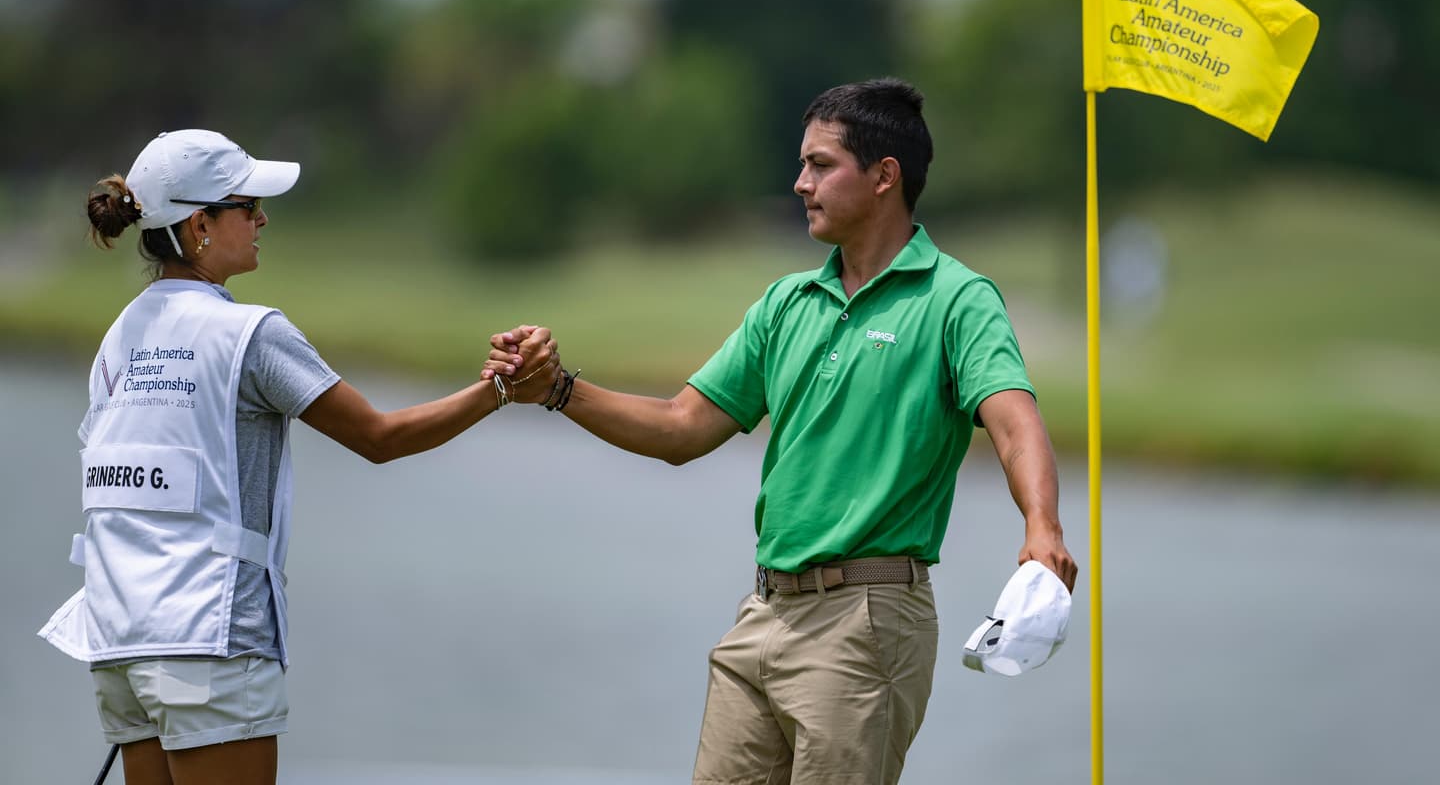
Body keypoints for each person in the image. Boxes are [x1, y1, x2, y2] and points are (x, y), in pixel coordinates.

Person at [486, 78, 1078, 785]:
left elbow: (1014, 422)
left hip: (866, 620)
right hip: (764, 613)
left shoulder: (957, 299)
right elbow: (681, 426)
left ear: (885, 176)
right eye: (803, 165)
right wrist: (558, 390)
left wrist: (1042, 526)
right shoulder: (786, 303)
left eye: (821, 165)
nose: (801, 184)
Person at [40, 129, 555, 785]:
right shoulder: (251, 334)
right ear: (200, 226)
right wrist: (503, 390)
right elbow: (380, 437)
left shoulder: (116, 340)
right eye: (247, 206)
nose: (262, 219)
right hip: (207, 643)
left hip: (119, 649)